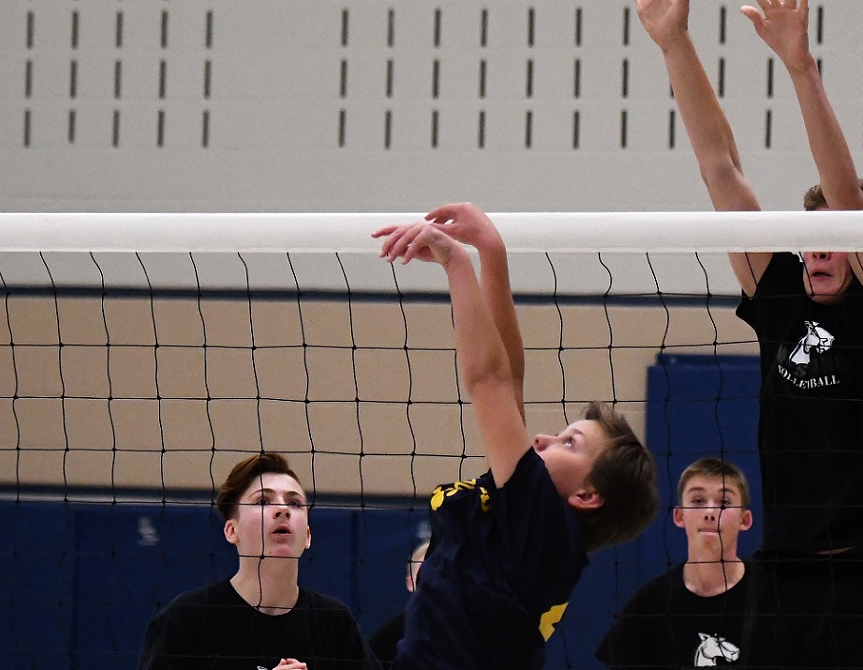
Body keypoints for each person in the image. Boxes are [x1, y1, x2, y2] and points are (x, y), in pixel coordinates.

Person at [624, 0, 863, 670]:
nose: (816, 248)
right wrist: (673, 43)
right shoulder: (782, 296)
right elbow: (720, 167)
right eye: (807, 236)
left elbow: (846, 199)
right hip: (783, 571)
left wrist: (799, 66)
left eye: (834, 239)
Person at [373, 203, 660, 670]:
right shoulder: (531, 525)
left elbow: (489, 380)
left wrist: (456, 262)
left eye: (571, 443)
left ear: (587, 495)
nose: (544, 438)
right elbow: (510, 376)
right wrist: (491, 252)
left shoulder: (545, 526)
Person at [138, 452, 380, 670]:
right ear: (232, 531)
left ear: (307, 535)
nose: (282, 510)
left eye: (294, 503)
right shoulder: (186, 620)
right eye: (263, 501)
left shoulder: (334, 623)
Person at [597, 458, 753, 669]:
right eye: (698, 501)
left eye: (724, 503)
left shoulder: (770, 595)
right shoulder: (648, 605)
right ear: (679, 516)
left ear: (745, 520)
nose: (710, 512)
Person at [366, 539, 429, 667]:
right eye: (424, 574)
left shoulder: (469, 627)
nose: (433, 582)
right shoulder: (389, 636)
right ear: (410, 583)